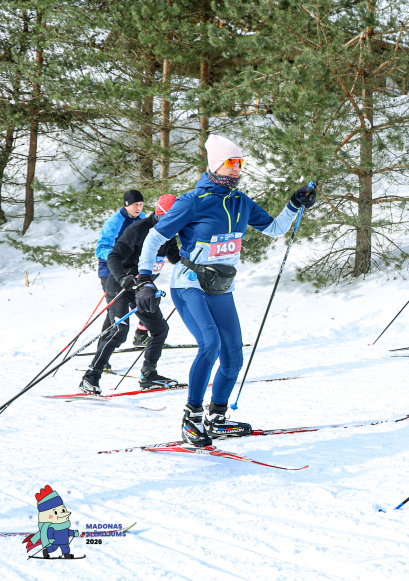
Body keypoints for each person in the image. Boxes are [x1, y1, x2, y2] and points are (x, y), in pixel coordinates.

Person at [136, 135, 316, 447]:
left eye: (240, 163)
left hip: (221, 287)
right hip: (189, 284)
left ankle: (216, 417)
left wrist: (293, 205)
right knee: (210, 344)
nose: (236, 169)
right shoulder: (192, 201)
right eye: (231, 162)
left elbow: (274, 229)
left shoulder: (240, 201)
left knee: (233, 355)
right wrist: (144, 278)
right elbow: (154, 238)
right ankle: (191, 418)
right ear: (216, 165)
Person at [80, 194, 181, 395]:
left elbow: (176, 257)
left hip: (143, 289)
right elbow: (114, 256)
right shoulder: (138, 229)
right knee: (119, 331)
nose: (172, 224)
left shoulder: (168, 233)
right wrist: (122, 278)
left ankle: (149, 375)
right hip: (121, 285)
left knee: (159, 329)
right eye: (169, 218)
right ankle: (90, 378)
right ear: (160, 214)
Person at [94, 190, 148, 349]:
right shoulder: (114, 222)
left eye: (141, 204)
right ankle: (102, 350)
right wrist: (119, 256)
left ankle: (141, 336)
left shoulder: (142, 217)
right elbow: (100, 249)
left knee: (146, 300)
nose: (139, 208)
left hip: (130, 269)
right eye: (135, 205)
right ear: (126, 205)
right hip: (110, 270)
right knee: (116, 311)